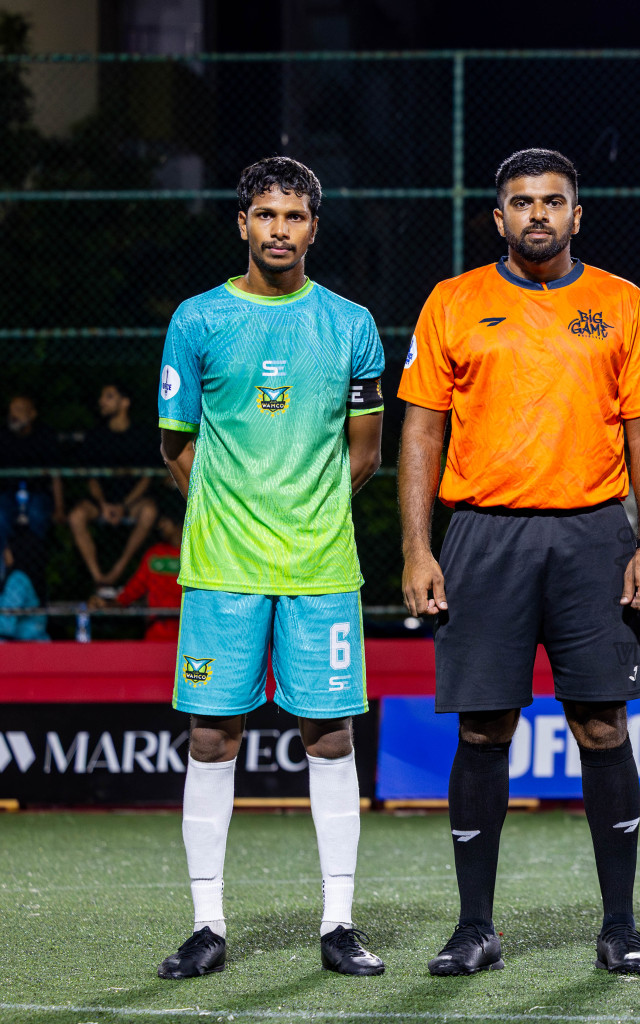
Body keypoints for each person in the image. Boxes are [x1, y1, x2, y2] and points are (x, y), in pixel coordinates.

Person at [398, 148, 640, 977]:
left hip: (595, 536)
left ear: (577, 214)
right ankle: (474, 926)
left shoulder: (622, 303)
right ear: (499, 218)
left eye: (553, 201)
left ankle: (620, 925)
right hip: (482, 535)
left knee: (602, 724)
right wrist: (417, 546)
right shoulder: (453, 302)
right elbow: (420, 430)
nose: (538, 214)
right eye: (522, 202)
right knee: (485, 726)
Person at [154, 156, 387, 979]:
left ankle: (339, 922)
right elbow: (176, 446)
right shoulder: (198, 319)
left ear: (314, 228)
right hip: (221, 568)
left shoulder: (351, 324)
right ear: (242, 223)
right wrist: (232, 512)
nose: (279, 230)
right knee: (213, 736)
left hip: (322, 565)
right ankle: (208, 924)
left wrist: (304, 511)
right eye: (265, 215)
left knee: (330, 736)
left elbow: (365, 455)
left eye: (294, 217)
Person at [68, 382, 160, 590]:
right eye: (102, 397)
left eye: (109, 396)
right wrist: (103, 504)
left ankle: (119, 569)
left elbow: (147, 477)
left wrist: (124, 506)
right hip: (101, 501)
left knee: (149, 511)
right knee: (76, 516)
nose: (102, 401)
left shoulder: (141, 435)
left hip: (131, 501)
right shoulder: (95, 435)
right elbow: (90, 477)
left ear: (125, 402)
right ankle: (98, 576)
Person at [92, 511, 183, 641]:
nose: (160, 525)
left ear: (179, 524)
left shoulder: (196, 555)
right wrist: (109, 604)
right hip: (156, 632)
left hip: (188, 632)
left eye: (165, 521)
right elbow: (134, 588)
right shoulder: (155, 554)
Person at [0, 394, 65, 543]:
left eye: (19, 410)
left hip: (37, 492)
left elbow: (56, 475)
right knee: (0, 515)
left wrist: (60, 507)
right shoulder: (3, 436)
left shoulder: (45, 436)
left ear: (32, 414)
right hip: (8, 492)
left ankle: (33, 560)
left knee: (37, 513)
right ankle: (4, 562)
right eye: (11, 411)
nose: (13, 415)